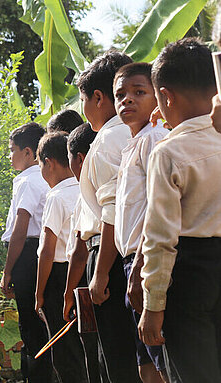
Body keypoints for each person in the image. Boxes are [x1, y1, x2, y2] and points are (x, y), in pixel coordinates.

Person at [138, 37, 221, 383]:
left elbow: (160, 237)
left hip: (190, 274)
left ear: (166, 97)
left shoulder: (169, 152)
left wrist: (152, 305)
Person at [76, 50, 141, 382]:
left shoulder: (106, 141)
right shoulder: (142, 131)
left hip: (111, 253)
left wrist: (100, 275)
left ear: (99, 98)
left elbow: (113, 212)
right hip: (135, 253)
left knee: (116, 356)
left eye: (83, 100)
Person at [112, 62, 169, 383]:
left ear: (159, 97)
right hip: (130, 260)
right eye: (121, 94)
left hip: (146, 259)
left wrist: (139, 268)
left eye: (138, 92)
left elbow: (158, 206)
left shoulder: (155, 138)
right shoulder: (132, 143)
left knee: (162, 357)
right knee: (145, 361)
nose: (128, 100)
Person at [0, 122, 53, 382]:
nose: (10, 156)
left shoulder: (28, 181)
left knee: (31, 325)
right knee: (44, 320)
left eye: (12, 151)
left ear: (29, 153)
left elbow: (21, 228)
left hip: (27, 253)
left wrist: (8, 270)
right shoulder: (46, 176)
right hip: (43, 252)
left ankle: (38, 377)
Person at [34, 131, 88, 383]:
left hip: (58, 277)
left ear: (49, 163)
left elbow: (46, 249)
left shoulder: (56, 196)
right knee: (84, 343)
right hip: (85, 271)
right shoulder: (84, 188)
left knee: (64, 350)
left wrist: (39, 293)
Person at [62, 123, 104, 383]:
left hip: (96, 262)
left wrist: (68, 295)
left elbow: (79, 252)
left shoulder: (85, 193)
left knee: (99, 350)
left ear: (80, 159)